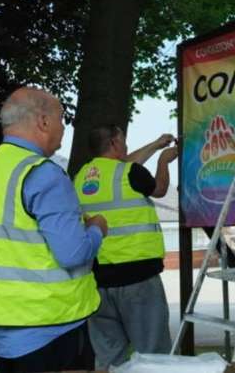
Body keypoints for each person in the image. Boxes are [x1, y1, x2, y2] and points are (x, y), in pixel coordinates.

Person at [0, 87, 109, 373]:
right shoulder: (43, 173)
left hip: (0, 327)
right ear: (43, 122)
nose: (64, 128)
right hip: (50, 327)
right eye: (61, 119)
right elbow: (73, 253)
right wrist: (96, 229)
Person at [73, 124, 177, 369]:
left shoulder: (81, 177)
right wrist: (163, 160)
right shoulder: (130, 173)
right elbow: (160, 189)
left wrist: (154, 144)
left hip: (98, 283)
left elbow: (123, 165)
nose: (127, 145)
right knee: (153, 357)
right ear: (114, 144)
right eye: (123, 140)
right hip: (138, 280)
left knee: (109, 358)